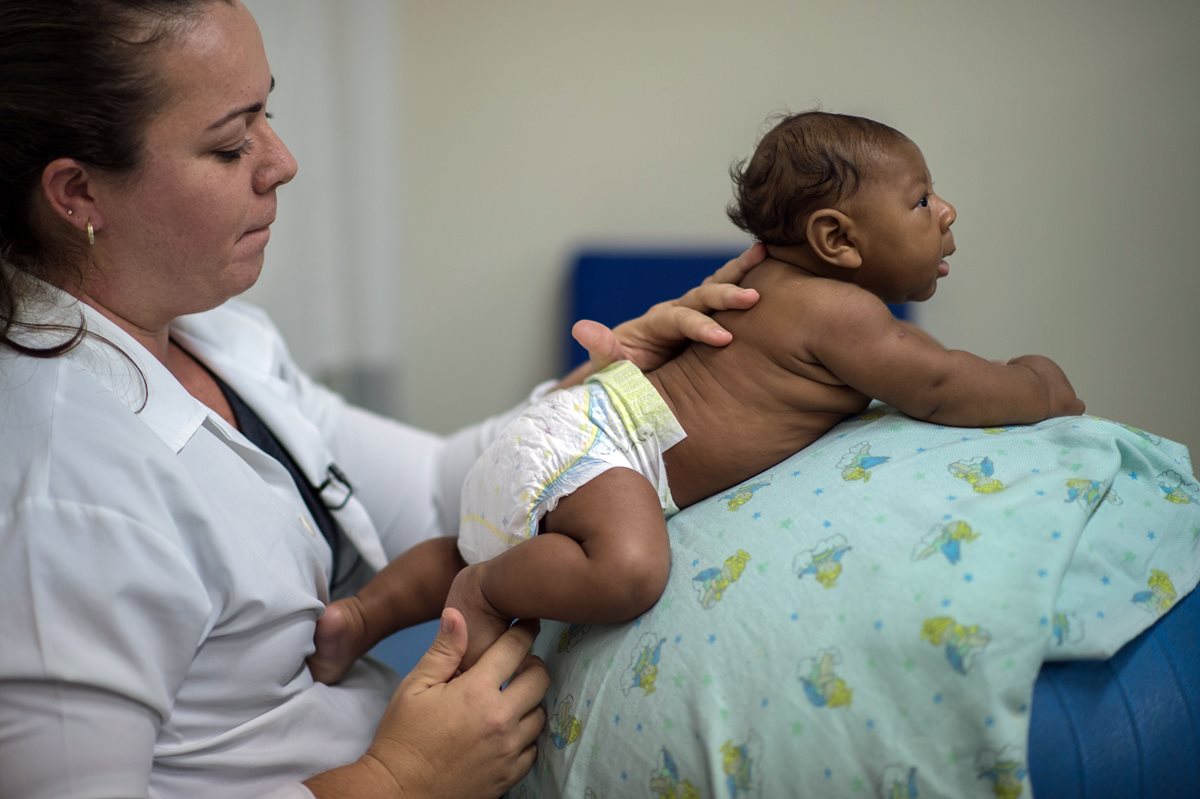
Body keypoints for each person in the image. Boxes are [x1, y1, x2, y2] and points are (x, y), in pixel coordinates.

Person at [0, 2, 764, 797]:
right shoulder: (62, 495)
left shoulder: (216, 338)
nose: (282, 161)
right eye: (231, 145)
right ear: (78, 193)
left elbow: (443, 488)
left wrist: (626, 387)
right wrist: (400, 778)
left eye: (271, 113)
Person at [308, 110, 1085, 676]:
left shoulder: (769, 282)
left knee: (470, 535)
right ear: (837, 239)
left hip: (569, 428)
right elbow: (942, 385)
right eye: (920, 201)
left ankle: (367, 612)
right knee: (630, 570)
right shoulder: (841, 311)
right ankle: (483, 587)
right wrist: (1037, 384)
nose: (944, 211)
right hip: (599, 447)